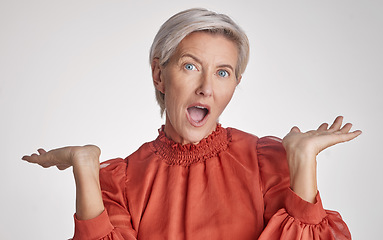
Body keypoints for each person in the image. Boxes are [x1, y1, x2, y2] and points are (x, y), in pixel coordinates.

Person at [22, 8, 361, 239]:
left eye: (223, 72)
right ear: (159, 75)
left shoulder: (266, 162)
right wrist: (85, 170)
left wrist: (303, 161)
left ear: (236, 84)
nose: (207, 88)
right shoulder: (120, 182)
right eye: (190, 66)